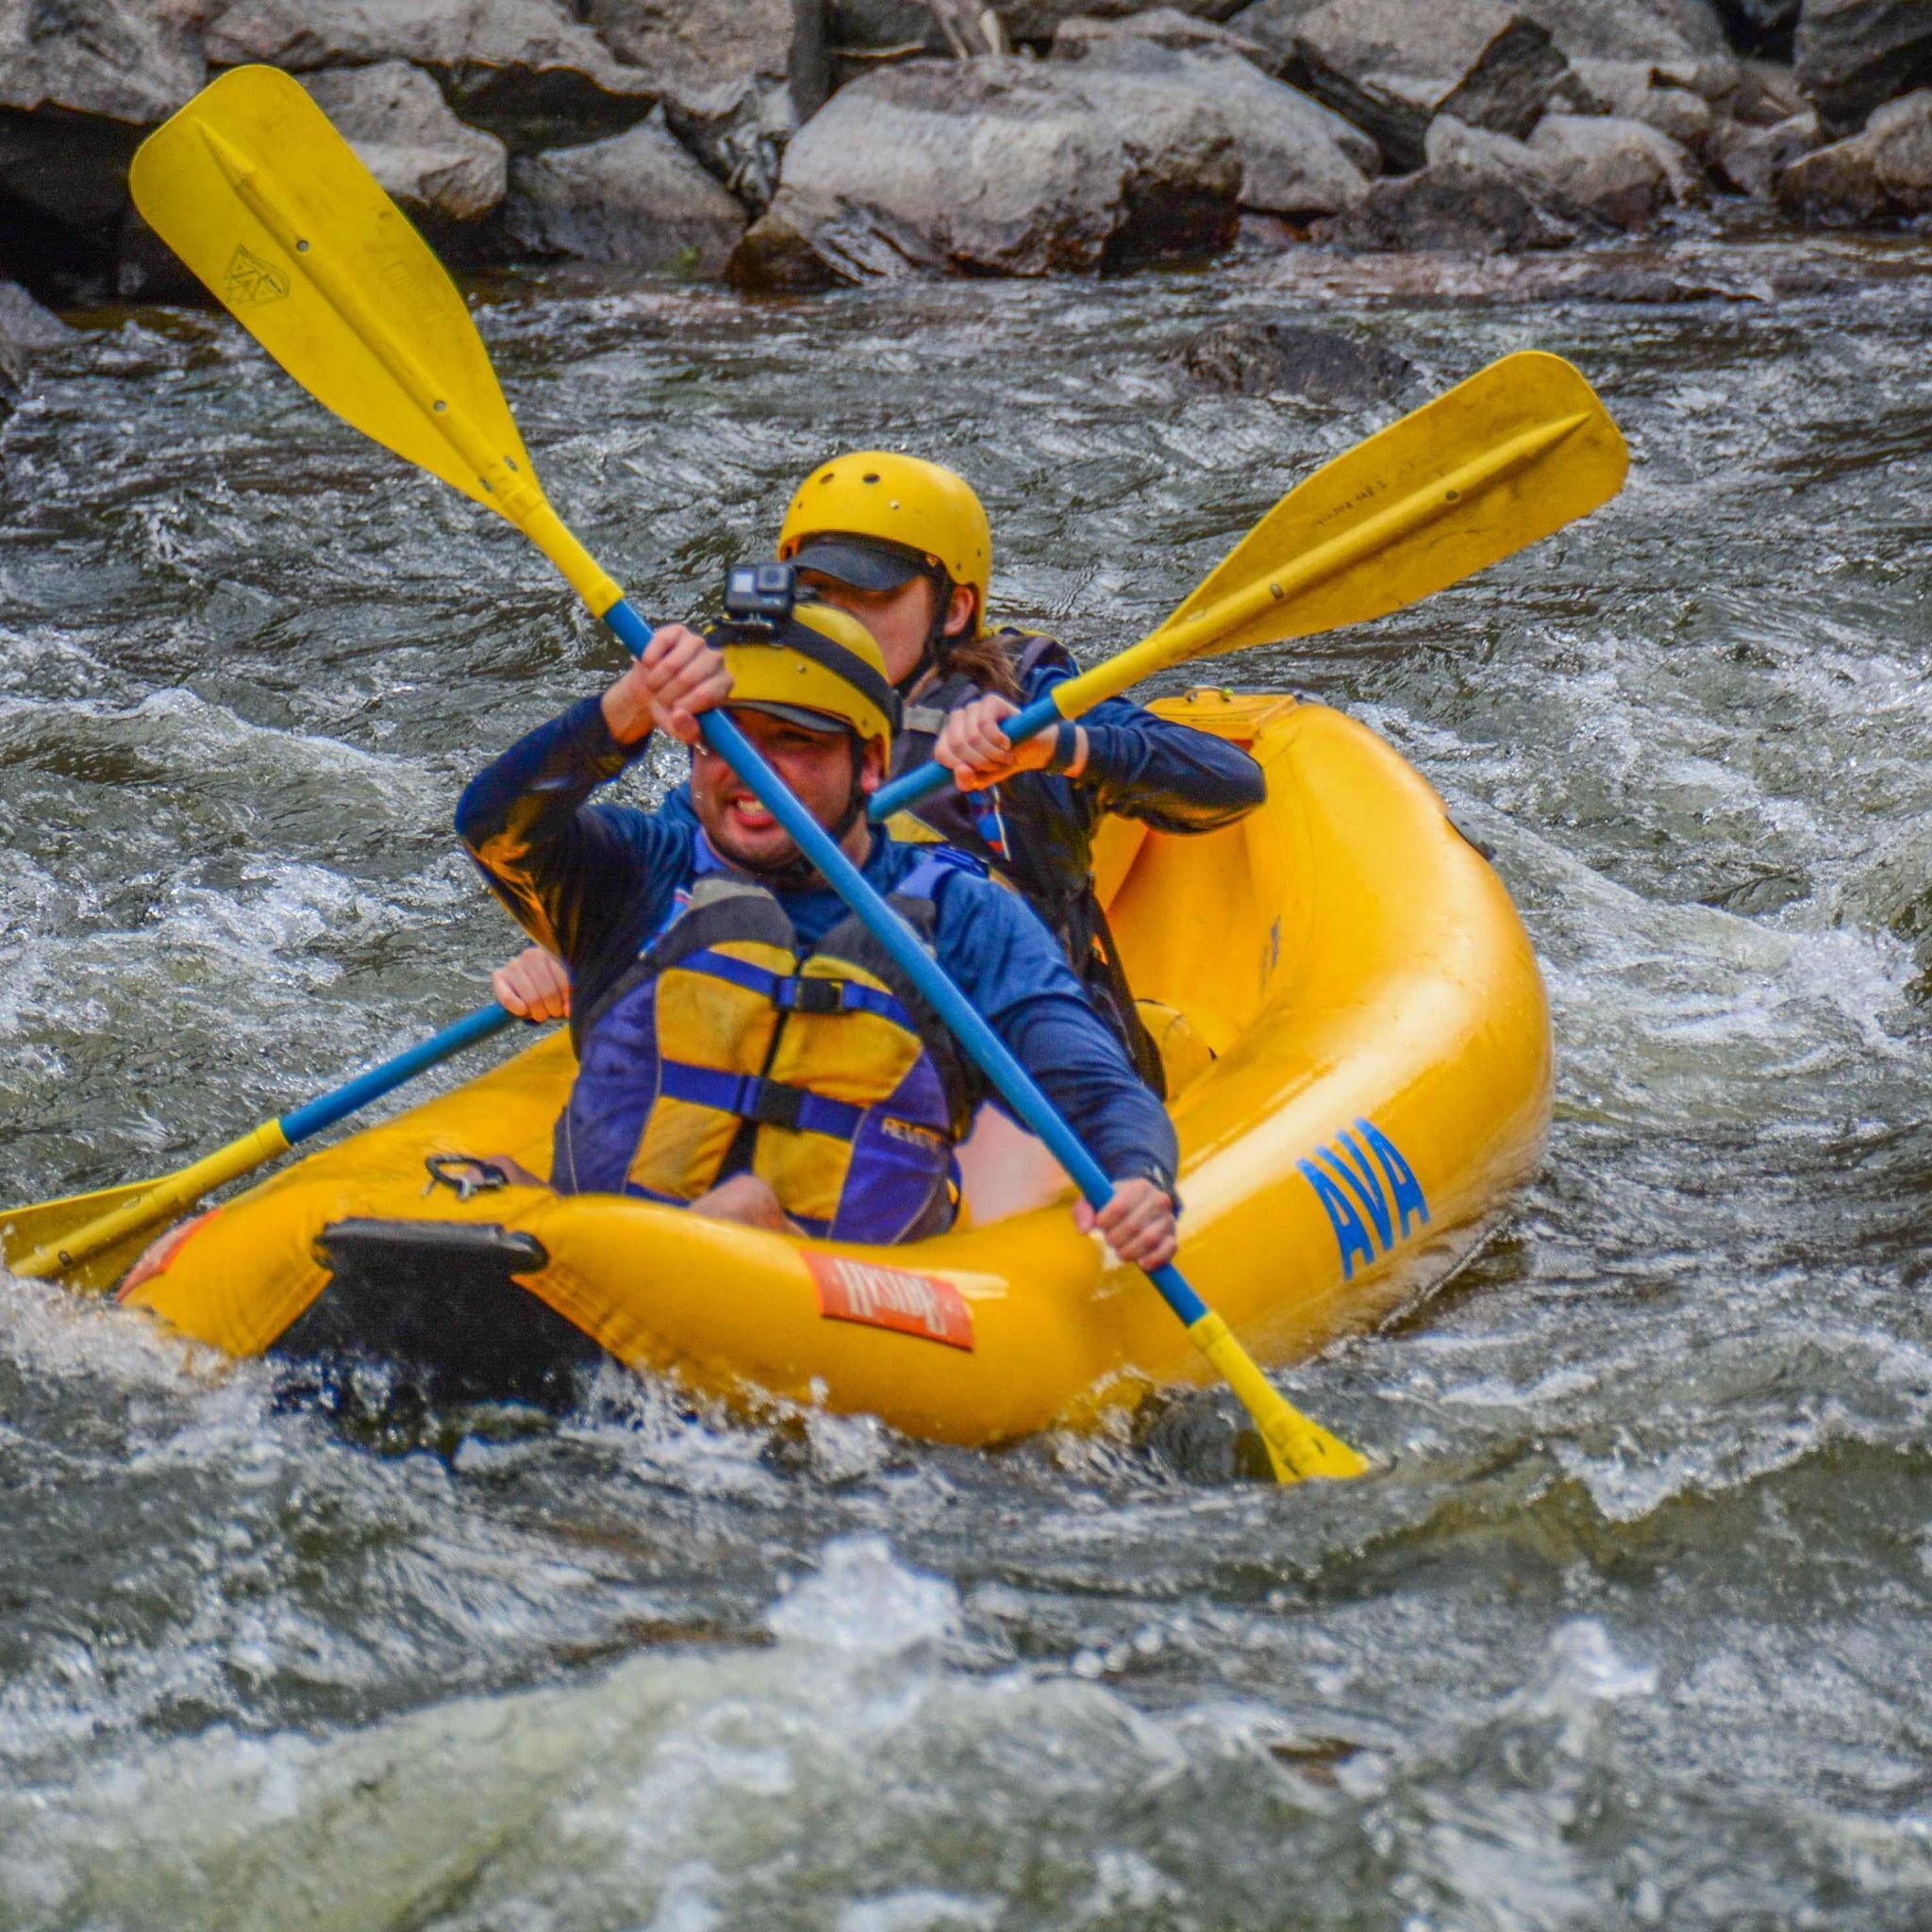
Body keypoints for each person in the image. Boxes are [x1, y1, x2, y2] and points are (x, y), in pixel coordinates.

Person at [494, 452, 1266, 1093]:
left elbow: (1229, 782)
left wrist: (1056, 748)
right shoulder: (755, 718)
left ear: (953, 609)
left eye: (870, 594)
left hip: (1016, 1063)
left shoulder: (1021, 696)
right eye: (817, 592)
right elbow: (658, 863)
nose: (838, 617)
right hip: (835, 1054)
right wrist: (582, 944)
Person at [456, 596, 1180, 1265]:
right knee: (472, 1185)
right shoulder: (640, 873)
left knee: (743, 1206)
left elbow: (1100, 1092)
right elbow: (493, 825)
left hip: (838, 1303)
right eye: (723, 742)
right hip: (596, 1266)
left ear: (871, 763)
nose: (749, 773)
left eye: (792, 741)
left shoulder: (964, 921)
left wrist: (1138, 1177)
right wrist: (627, 708)